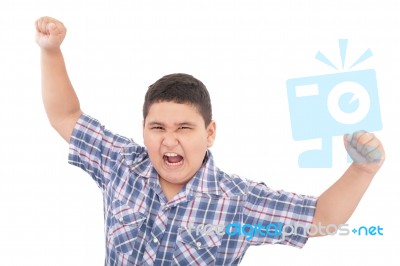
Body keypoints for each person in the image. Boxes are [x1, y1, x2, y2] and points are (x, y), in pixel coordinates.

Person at [35, 16, 385, 266]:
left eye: (184, 128)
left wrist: (363, 170)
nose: (169, 141)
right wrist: (51, 51)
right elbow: (65, 115)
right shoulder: (121, 164)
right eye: (157, 128)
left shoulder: (239, 202)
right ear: (143, 129)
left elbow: (321, 218)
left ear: (210, 133)